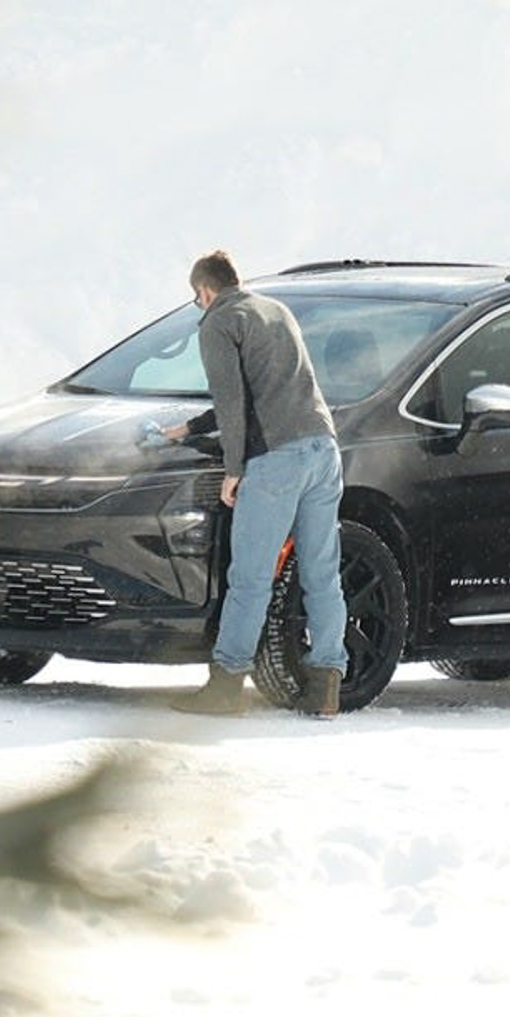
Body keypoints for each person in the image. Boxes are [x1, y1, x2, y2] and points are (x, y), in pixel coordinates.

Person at [163, 251, 351, 717]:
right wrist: (189, 428)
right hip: (323, 450)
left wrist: (233, 470)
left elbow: (231, 401)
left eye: (197, 300)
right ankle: (326, 685)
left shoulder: (218, 322)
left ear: (204, 291)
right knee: (321, 573)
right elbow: (271, 387)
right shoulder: (276, 311)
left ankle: (225, 688)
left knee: (250, 578)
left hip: (276, 461)